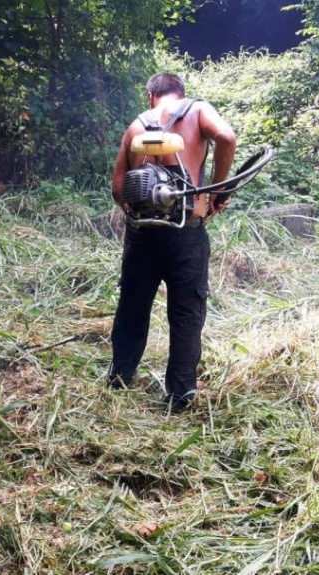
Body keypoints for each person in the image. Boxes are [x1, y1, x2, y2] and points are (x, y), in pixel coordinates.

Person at [108, 72, 237, 414]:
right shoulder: (197, 110)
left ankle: (119, 378)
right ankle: (180, 396)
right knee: (186, 314)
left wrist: (135, 203)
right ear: (180, 93)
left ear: (150, 96)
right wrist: (217, 189)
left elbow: (118, 187)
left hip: (141, 233)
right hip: (186, 232)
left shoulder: (137, 126)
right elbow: (227, 137)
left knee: (132, 309)